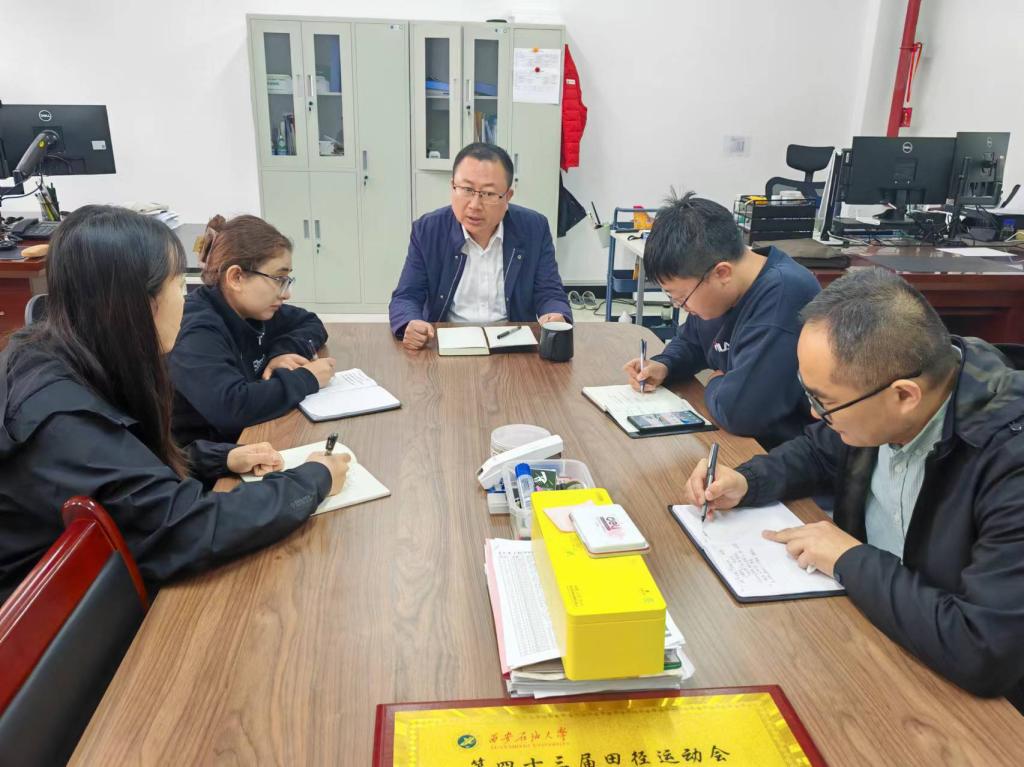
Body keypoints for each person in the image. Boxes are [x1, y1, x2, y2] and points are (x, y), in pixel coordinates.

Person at [684, 268, 1024, 710]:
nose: (813, 413)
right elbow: (819, 450)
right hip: (874, 632)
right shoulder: (893, 388)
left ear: (904, 396)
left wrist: (849, 559)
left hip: (970, 706)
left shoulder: (1008, 461)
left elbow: (983, 649)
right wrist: (748, 480)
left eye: (824, 402)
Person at [0, 205, 350, 599]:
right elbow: (186, 529)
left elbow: (124, 470)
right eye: (180, 286)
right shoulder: (61, 418)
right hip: (54, 613)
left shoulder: (65, 355)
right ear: (136, 300)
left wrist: (220, 458)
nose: (188, 300)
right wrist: (313, 479)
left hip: (86, 585)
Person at [622, 192, 820, 449]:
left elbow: (740, 412)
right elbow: (692, 341)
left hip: (781, 451)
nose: (682, 306)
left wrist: (714, 382)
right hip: (736, 439)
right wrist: (665, 365)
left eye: (682, 298)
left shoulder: (783, 297)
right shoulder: (722, 291)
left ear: (722, 273)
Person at [169, 214, 336, 445]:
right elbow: (231, 407)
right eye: (279, 279)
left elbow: (311, 323)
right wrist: (307, 378)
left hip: (248, 441)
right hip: (209, 458)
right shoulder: (196, 330)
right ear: (236, 277)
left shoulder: (255, 310)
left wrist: (282, 353)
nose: (286, 293)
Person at [389, 142, 572, 350]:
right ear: (452, 187)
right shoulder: (428, 230)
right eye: (467, 190)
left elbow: (550, 292)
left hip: (513, 346)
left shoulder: (534, 229)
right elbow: (406, 296)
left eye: (489, 193)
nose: (475, 205)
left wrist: (555, 315)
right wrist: (410, 322)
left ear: (508, 197)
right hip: (447, 344)